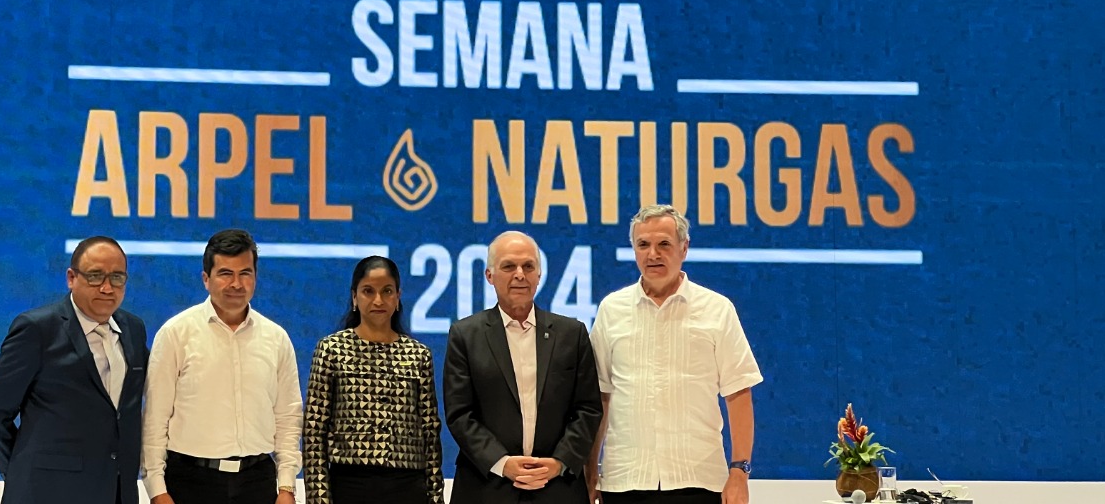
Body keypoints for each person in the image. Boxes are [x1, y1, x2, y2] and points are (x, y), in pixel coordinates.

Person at [587, 204, 763, 504]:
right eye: (643, 244)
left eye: (664, 244)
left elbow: (738, 393)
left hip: (698, 480)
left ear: (684, 248)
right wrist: (591, 471)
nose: (652, 254)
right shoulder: (611, 309)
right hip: (625, 481)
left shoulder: (717, 309)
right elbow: (601, 397)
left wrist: (739, 471)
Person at [0, 235, 149, 504]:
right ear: (71, 278)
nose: (107, 288)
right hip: (45, 493)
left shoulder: (133, 329)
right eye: (95, 276)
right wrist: (21, 470)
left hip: (117, 492)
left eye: (117, 278)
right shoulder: (37, 329)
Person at [141, 228, 302, 504]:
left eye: (245, 273)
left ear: (255, 277)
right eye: (225, 273)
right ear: (206, 279)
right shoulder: (175, 334)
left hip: (258, 482)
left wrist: (287, 485)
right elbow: (155, 417)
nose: (236, 284)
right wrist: (156, 489)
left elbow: (288, 417)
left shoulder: (276, 338)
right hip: (190, 481)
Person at [444, 231, 603, 503]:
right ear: (489, 275)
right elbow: (460, 414)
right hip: (486, 488)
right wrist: (502, 463)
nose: (520, 274)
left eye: (528, 266)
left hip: (558, 488)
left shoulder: (572, 334)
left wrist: (560, 462)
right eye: (509, 266)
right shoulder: (465, 335)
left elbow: (588, 409)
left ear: (539, 275)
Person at [302, 255, 443, 504]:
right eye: (368, 291)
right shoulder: (332, 350)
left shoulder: (418, 355)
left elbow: (430, 433)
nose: (378, 300)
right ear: (354, 297)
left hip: (408, 487)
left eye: (387, 291)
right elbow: (314, 432)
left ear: (398, 297)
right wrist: (318, 499)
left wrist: (435, 497)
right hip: (349, 485)